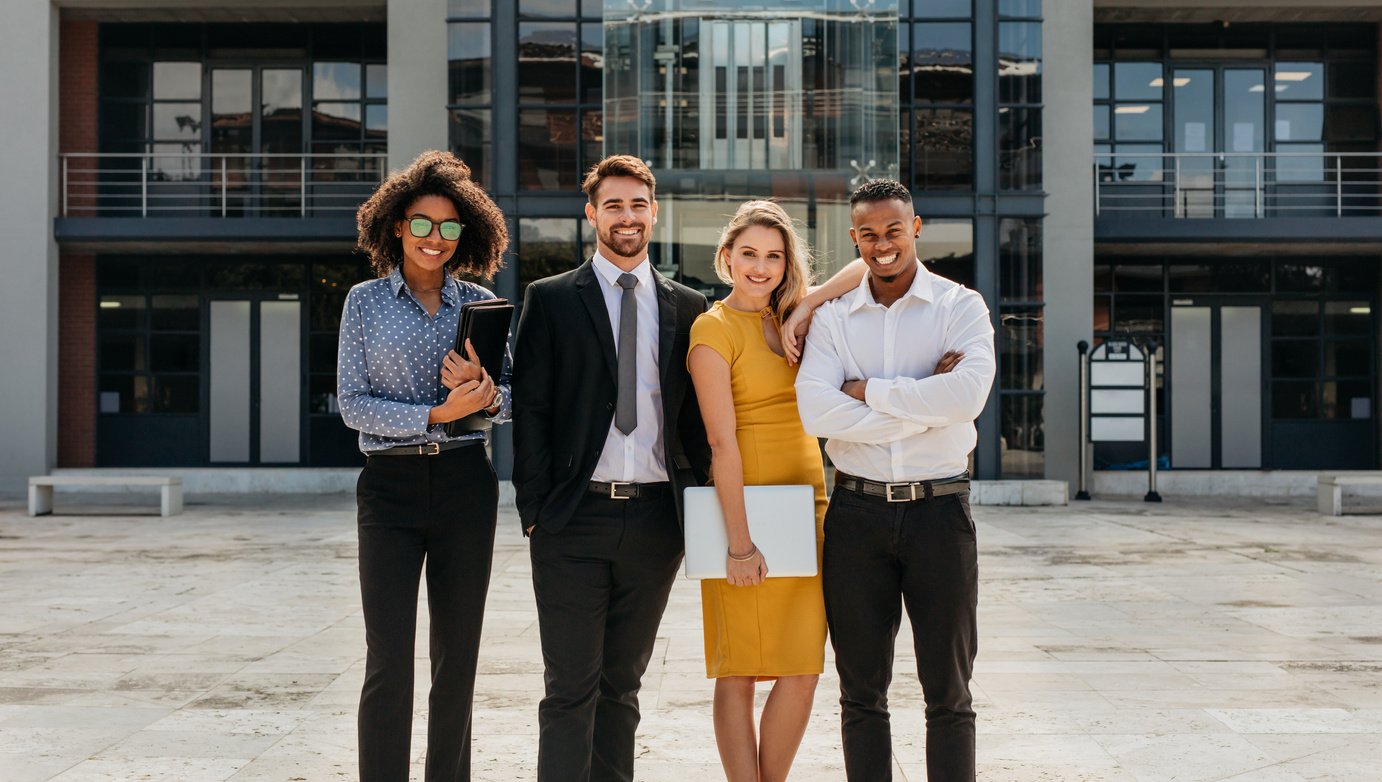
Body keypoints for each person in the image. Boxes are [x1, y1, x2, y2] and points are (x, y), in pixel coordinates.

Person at [511, 154, 712, 782]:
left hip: (656, 522)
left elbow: (697, 422)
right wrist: (536, 509)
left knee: (622, 687)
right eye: (614, 205)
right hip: (573, 517)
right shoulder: (549, 299)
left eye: (638, 205)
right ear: (592, 212)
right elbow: (532, 408)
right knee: (569, 689)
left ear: (654, 212)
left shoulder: (690, 305)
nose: (627, 217)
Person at [795, 179, 994, 782]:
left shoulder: (962, 307)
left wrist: (869, 393)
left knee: (949, 693)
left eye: (894, 230)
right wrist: (921, 406)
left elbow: (967, 396)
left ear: (916, 228)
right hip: (857, 519)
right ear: (854, 238)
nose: (884, 244)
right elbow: (816, 413)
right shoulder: (832, 320)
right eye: (869, 234)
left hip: (941, 515)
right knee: (860, 692)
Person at [337, 150, 511, 782]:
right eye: (421, 224)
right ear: (396, 227)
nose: (434, 239)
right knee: (388, 659)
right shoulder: (363, 301)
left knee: (457, 656)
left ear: (466, 233)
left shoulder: (483, 304)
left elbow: (511, 401)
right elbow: (353, 405)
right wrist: (438, 414)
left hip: (467, 485)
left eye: (448, 227)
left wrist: (485, 392)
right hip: (390, 489)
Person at [686, 200, 869, 782]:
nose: (760, 268)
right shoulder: (712, 329)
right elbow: (721, 444)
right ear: (726, 258)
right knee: (737, 668)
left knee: (802, 666)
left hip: (807, 506)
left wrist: (806, 305)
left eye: (774, 255)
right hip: (744, 509)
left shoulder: (795, 314)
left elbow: (867, 265)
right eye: (749, 255)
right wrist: (739, 544)